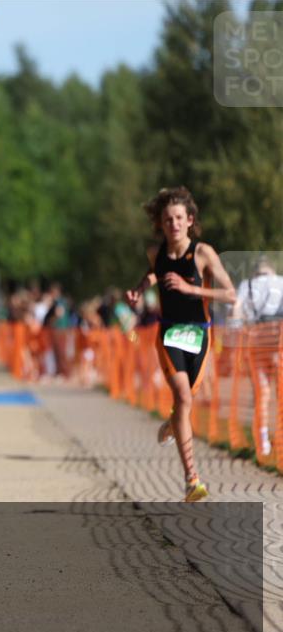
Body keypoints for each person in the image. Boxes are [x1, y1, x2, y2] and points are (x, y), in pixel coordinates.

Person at [125, 186, 235, 502]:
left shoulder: (203, 253)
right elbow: (153, 273)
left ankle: (173, 423)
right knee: (183, 397)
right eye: (167, 219)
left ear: (189, 220)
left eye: (178, 218)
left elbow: (230, 294)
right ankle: (192, 480)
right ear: (160, 223)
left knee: (186, 403)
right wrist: (137, 290)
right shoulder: (155, 253)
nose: (173, 224)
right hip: (169, 334)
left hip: (200, 333)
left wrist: (192, 290)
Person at [231, 255, 283, 456]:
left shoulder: (248, 284)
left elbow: (236, 309)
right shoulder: (280, 281)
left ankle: (263, 443)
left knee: (262, 393)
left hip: (257, 340)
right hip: (279, 340)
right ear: (270, 268)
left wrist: (236, 331)